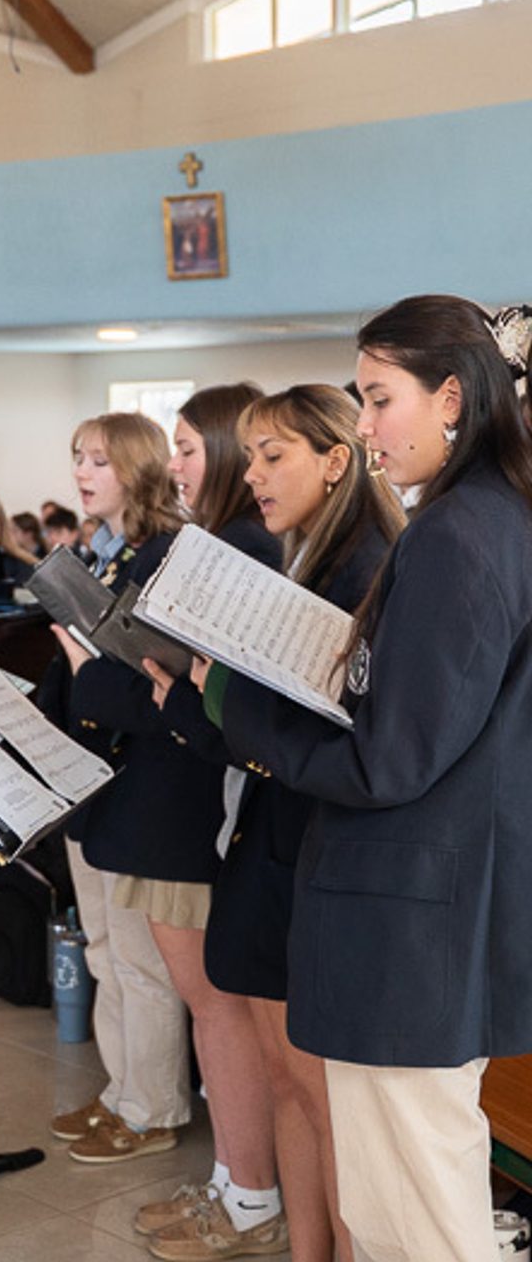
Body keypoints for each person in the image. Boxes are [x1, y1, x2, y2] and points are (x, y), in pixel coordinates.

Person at [213, 298, 532, 1262]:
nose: (362, 424)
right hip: (436, 911)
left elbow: (390, 758)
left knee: (414, 1223)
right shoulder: (493, 515)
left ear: (451, 397)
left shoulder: (458, 533)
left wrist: (251, 718)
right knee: (411, 1207)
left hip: (411, 925)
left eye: (377, 397)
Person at [148, 385, 403, 1262]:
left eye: (273, 455)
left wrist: (214, 692)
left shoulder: (367, 565)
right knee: (289, 1088)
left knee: (320, 1097)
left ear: (337, 462)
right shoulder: (309, 555)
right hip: (272, 839)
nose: (250, 474)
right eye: (248, 455)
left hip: (315, 849)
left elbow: (340, 729)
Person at [113, 383, 287, 1259]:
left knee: (218, 1010)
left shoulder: (239, 546)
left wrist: (170, 681)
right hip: (181, 794)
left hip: (199, 802)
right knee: (208, 1009)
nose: (174, 466)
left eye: (187, 447)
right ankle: (233, 1180)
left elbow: (227, 695)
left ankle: (249, 1192)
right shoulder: (214, 541)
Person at [41, 414, 192, 1166]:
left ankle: (153, 1105)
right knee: (103, 949)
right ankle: (119, 1089)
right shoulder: (100, 554)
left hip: (142, 779)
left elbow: (147, 683)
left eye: (99, 459)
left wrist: (81, 665)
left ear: (138, 468)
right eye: (77, 458)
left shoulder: (163, 556)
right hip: (93, 778)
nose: (83, 471)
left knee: (140, 961)